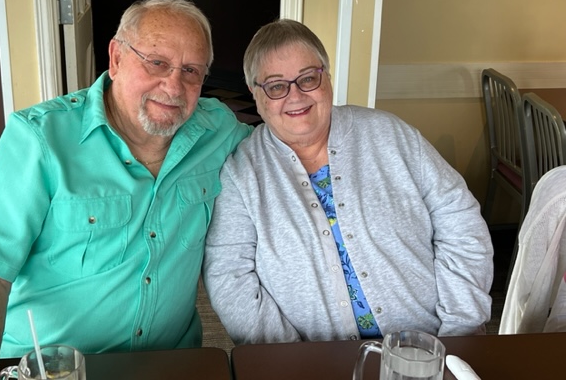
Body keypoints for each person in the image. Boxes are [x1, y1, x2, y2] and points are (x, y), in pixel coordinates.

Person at [0, 0, 251, 379]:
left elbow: (286, 146)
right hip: (53, 368)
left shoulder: (217, 132)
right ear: (116, 58)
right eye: (157, 62)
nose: (174, 86)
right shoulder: (39, 139)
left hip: (171, 363)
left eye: (191, 71)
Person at [202, 19, 494, 345]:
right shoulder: (242, 172)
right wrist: (289, 358)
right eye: (276, 86)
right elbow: (228, 274)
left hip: (426, 344)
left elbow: (460, 219)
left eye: (307, 78)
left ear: (326, 77)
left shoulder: (390, 134)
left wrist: (460, 327)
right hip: (311, 361)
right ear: (256, 95)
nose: (295, 95)